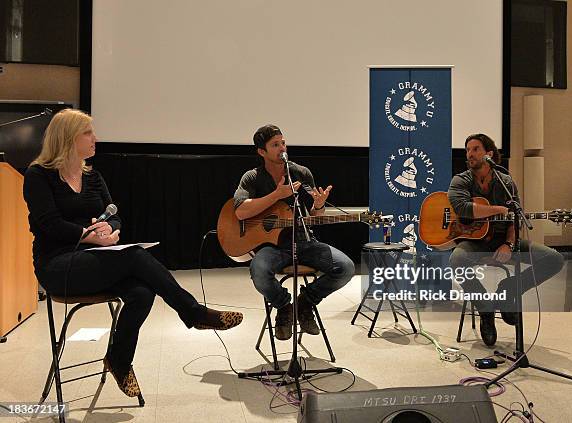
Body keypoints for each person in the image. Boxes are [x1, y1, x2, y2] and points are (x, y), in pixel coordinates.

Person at [23, 109, 243, 398]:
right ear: (67, 138)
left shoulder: (93, 176)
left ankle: (119, 360)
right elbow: (49, 224)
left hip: (96, 259)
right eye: (88, 133)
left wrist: (110, 231)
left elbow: (114, 215)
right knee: (134, 256)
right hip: (58, 264)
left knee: (141, 293)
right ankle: (193, 312)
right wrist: (89, 235)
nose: (95, 138)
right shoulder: (38, 175)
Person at [233, 124, 355, 340]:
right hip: (272, 247)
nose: (282, 148)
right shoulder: (251, 178)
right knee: (259, 271)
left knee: (345, 267)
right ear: (262, 151)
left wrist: (318, 205)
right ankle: (284, 307)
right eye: (275, 145)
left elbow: (315, 218)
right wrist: (276, 195)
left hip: (304, 241)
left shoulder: (300, 173)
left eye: (283, 142)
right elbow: (240, 212)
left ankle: (305, 302)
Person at [447, 133, 564, 347]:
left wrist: (509, 244)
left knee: (554, 259)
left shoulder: (506, 181)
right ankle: (486, 309)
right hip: (475, 242)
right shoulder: (460, 180)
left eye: (475, 149)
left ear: (489, 154)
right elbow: (462, 208)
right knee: (457, 260)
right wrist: (497, 209)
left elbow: (515, 219)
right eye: (468, 150)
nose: (469, 154)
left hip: (503, 238)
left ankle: (509, 288)